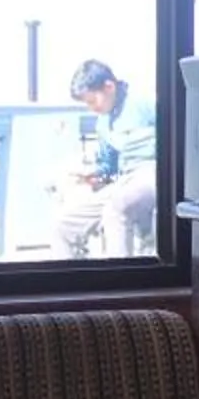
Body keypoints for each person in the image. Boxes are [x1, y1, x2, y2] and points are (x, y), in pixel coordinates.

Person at [53, 58, 160, 258]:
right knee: (63, 226)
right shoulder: (103, 123)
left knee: (115, 210)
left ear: (109, 87)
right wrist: (95, 175)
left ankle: (121, 282)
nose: (91, 108)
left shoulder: (144, 103)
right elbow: (108, 166)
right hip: (124, 181)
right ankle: (69, 285)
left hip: (154, 173)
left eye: (92, 101)